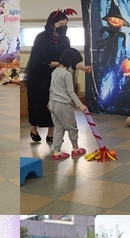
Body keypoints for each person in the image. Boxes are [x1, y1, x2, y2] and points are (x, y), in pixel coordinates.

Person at [25, 9, 91, 142]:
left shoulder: (65, 40)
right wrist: (60, 63)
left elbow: (69, 58)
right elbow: (40, 61)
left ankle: (51, 133)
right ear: (52, 24)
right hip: (39, 76)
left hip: (57, 77)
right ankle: (33, 128)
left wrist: (83, 68)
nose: (63, 27)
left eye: (65, 25)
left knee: (55, 104)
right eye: (60, 25)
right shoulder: (42, 38)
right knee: (38, 102)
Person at [48, 48, 87, 160]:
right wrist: (80, 105)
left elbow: (51, 88)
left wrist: (49, 101)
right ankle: (75, 148)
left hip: (53, 104)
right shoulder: (66, 74)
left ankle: (56, 151)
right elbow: (71, 92)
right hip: (63, 105)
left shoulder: (55, 71)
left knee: (58, 128)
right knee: (72, 127)